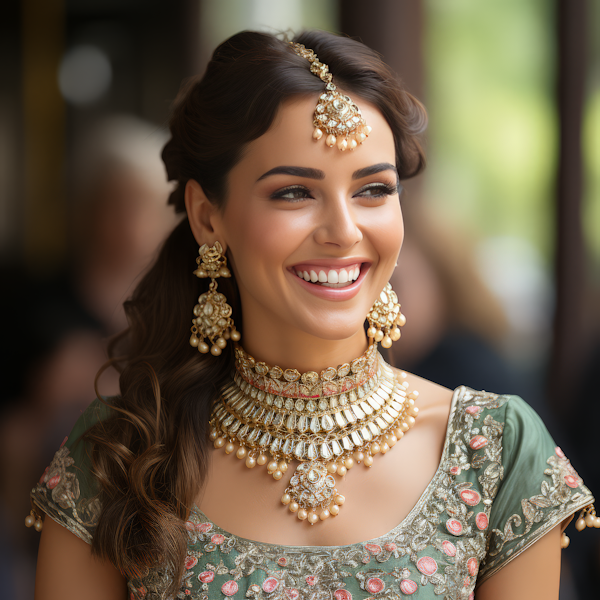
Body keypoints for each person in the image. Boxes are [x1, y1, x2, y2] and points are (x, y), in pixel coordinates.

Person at [29, 30, 595, 600]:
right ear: (207, 217)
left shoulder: (492, 452)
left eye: (373, 189)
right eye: (295, 193)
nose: (344, 232)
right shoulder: (121, 455)